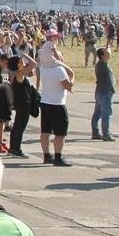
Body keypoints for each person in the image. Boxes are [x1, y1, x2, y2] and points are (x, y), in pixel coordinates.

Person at [36, 28, 76, 166]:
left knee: (45, 131)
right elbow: (68, 86)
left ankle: (47, 155)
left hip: (46, 101)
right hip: (57, 103)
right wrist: (73, 77)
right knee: (60, 132)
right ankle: (58, 156)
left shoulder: (43, 67)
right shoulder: (59, 69)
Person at [91, 45, 117, 140]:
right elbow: (108, 55)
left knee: (97, 113)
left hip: (100, 91)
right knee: (106, 114)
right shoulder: (102, 64)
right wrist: (109, 46)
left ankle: (95, 132)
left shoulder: (99, 64)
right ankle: (106, 134)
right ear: (102, 56)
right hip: (105, 92)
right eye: (105, 53)